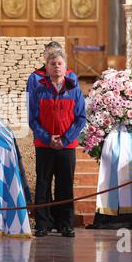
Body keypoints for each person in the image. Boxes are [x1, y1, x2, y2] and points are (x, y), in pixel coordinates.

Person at [29, 50, 86, 238]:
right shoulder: (39, 90)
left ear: (65, 66)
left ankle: (65, 224)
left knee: (65, 185)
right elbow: (33, 119)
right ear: (46, 67)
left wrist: (65, 139)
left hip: (66, 146)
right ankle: (43, 224)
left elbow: (80, 118)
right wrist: (48, 138)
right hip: (44, 146)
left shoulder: (74, 89)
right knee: (43, 184)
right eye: (52, 63)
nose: (56, 66)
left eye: (60, 63)